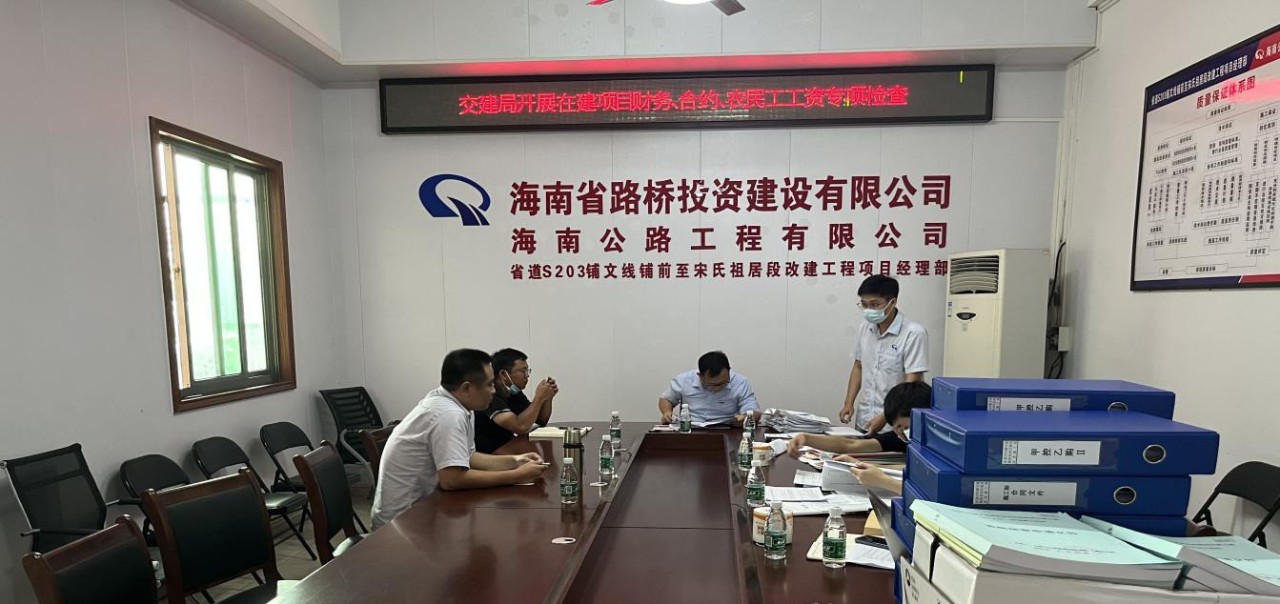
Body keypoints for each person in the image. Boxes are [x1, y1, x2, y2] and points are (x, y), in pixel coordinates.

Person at [371, 349, 548, 529]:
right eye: (489, 385)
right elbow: (452, 479)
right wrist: (517, 475)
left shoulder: (458, 405)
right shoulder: (448, 414)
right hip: (403, 521)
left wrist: (516, 461)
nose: (494, 390)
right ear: (466, 388)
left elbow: (469, 457)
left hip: (428, 507)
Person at [839, 275, 929, 436]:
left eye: (874, 304)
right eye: (864, 304)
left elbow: (912, 382)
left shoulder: (913, 333)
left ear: (892, 302)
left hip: (895, 424)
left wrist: (886, 416)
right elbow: (858, 366)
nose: (868, 310)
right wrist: (848, 403)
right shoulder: (865, 328)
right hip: (864, 418)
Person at [789, 381, 931, 458]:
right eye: (895, 427)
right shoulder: (898, 438)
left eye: (903, 427)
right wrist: (806, 438)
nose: (900, 432)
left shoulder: (935, 444)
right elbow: (850, 445)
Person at [474, 348, 558, 453]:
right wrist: (539, 397)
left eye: (528, 370)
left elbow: (541, 420)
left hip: (509, 447)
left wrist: (548, 397)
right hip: (489, 455)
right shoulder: (490, 395)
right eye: (523, 371)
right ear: (503, 374)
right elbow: (520, 427)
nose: (527, 375)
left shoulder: (513, 391)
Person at [658, 351, 759, 427]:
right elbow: (666, 399)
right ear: (700, 376)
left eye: (723, 383)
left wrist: (746, 417)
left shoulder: (740, 382)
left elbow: (753, 410)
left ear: (729, 371)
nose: (718, 387)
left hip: (727, 430)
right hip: (691, 428)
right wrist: (667, 412)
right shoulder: (684, 380)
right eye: (712, 385)